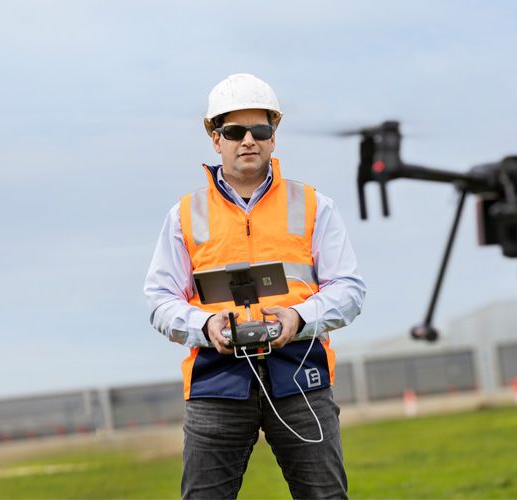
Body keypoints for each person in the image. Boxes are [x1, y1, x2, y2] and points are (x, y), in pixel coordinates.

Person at [144, 73, 366, 499]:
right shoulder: (184, 215)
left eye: (259, 130)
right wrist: (206, 328)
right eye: (233, 131)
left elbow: (349, 289)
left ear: (273, 136)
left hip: (301, 373)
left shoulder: (315, 205)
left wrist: (298, 318)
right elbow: (159, 301)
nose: (248, 140)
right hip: (216, 381)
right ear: (215, 138)